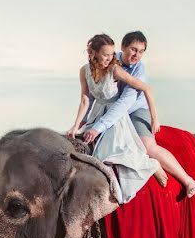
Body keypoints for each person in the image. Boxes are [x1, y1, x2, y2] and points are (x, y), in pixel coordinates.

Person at [70, 31, 195, 198]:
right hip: (107, 110)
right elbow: (87, 98)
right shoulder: (109, 59)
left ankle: (187, 180)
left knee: (147, 146)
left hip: (134, 109)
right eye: (133, 49)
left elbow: (125, 102)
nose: (137, 55)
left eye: (141, 51)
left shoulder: (133, 69)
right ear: (122, 47)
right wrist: (82, 122)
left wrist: (154, 117)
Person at [66, 34, 158, 204]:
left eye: (111, 54)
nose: (111, 58)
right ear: (93, 53)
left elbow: (145, 87)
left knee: (109, 154)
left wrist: (154, 117)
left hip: (115, 115)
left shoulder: (114, 69)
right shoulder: (84, 71)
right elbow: (86, 100)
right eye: (106, 54)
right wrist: (76, 125)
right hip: (97, 113)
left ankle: (149, 168)